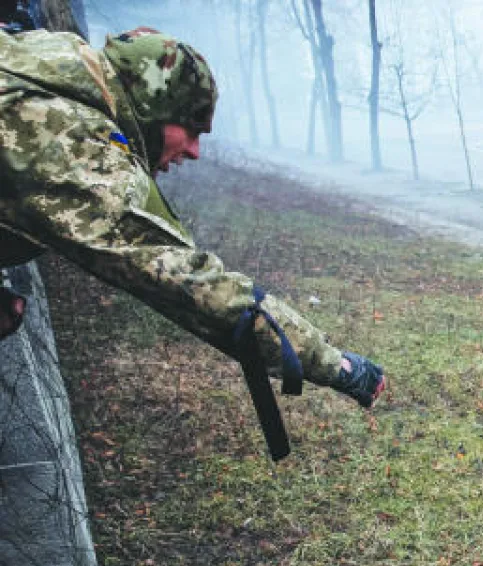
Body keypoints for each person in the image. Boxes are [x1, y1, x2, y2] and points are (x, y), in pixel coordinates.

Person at [0, 27, 386, 408]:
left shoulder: (45, 62)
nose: (195, 151)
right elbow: (189, 282)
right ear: (152, 105)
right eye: (191, 129)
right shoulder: (72, 143)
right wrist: (335, 365)